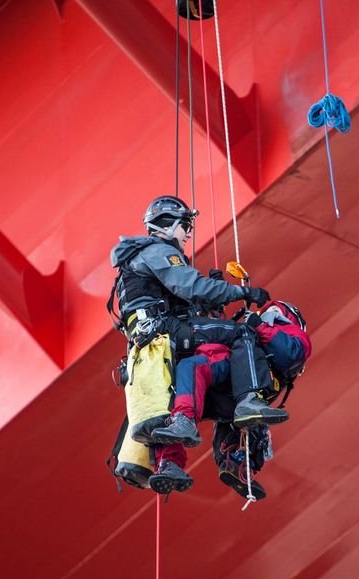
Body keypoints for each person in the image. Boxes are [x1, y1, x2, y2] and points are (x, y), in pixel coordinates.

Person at [109, 195, 287, 494]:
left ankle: (169, 465)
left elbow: (178, 296)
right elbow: (191, 286)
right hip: (167, 330)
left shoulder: (136, 259)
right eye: (185, 226)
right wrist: (243, 292)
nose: (188, 234)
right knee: (242, 334)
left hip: (148, 343)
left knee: (171, 400)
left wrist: (204, 303)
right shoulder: (159, 250)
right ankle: (249, 400)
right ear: (167, 225)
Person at [152, 299, 312, 498]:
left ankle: (180, 431)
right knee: (173, 404)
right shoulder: (266, 345)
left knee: (189, 369)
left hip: (237, 374)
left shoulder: (290, 333)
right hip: (237, 392)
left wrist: (259, 325)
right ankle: (228, 463)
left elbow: (290, 353)